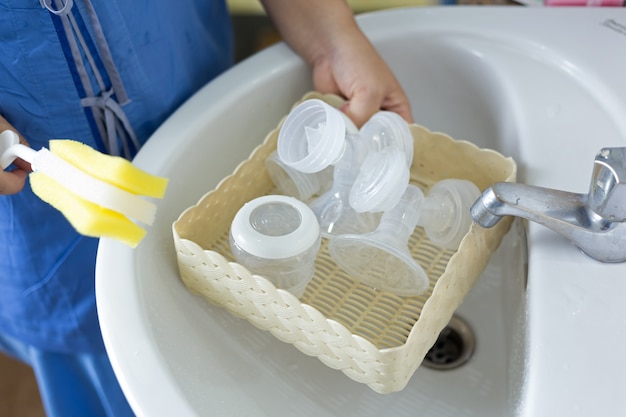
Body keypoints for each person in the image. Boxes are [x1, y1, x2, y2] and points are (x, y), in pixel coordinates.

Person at [0, 0, 412, 416]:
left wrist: (331, 40)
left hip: (194, 97)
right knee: (113, 365)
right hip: (47, 241)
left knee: (234, 351)